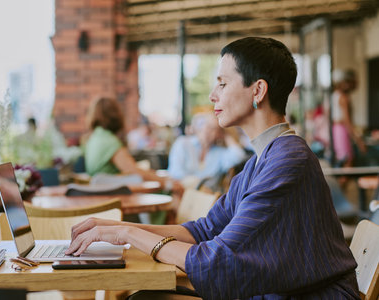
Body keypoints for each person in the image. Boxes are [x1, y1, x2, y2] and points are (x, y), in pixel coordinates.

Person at [66, 38, 359, 299]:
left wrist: (128, 236)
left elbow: (215, 261)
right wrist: (119, 227)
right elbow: (205, 231)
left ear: (257, 91)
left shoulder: (288, 160)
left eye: (222, 83)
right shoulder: (264, 159)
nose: (212, 95)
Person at [83, 96, 182, 193]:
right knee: (175, 189)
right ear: (115, 116)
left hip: (103, 192)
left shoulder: (93, 139)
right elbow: (133, 170)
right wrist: (166, 182)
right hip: (115, 195)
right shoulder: (109, 141)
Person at [168, 112, 247, 188]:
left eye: (214, 129)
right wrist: (198, 184)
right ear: (199, 126)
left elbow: (239, 156)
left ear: (219, 134)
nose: (208, 130)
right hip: (182, 192)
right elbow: (176, 173)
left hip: (207, 197)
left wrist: (226, 135)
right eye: (206, 125)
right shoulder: (182, 143)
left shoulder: (219, 152)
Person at [331, 69, 366, 167]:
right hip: (342, 131)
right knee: (348, 162)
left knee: (342, 161)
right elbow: (347, 121)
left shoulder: (334, 95)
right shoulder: (343, 97)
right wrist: (359, 141)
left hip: (335, 130)